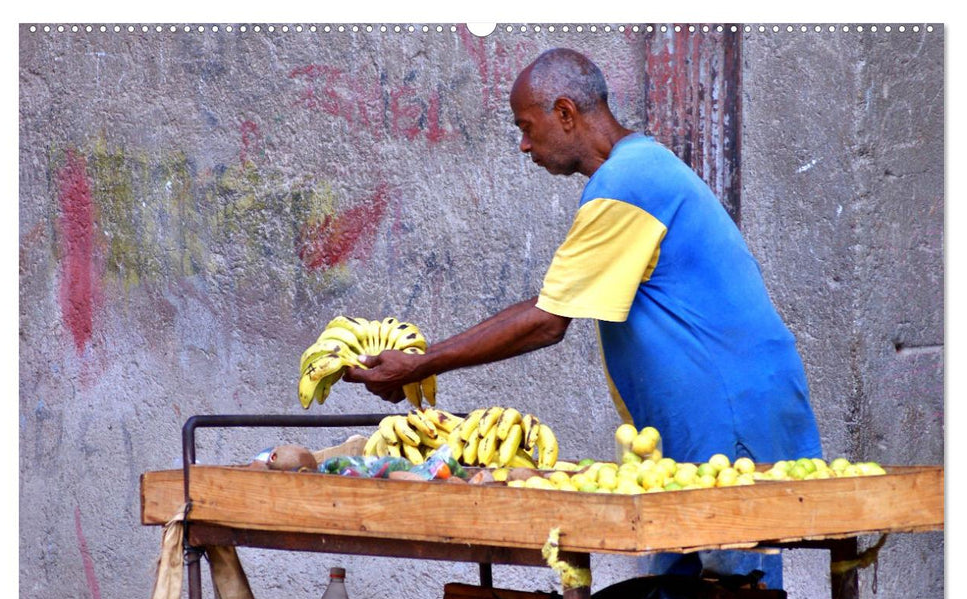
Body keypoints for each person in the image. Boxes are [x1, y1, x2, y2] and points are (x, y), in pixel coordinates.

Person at [344, 47, 822, 467]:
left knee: (731, 570)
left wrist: (422, 363)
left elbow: (548, 320)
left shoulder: (627, 182)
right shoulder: (639, 167)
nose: (524, 145)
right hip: (716, 411)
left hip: (728, 412)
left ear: (566, 113)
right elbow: (554, 303)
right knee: (684, 571)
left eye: (527, 128)